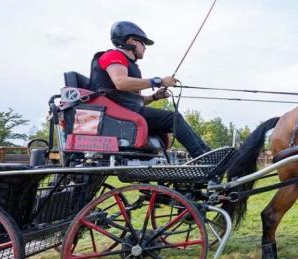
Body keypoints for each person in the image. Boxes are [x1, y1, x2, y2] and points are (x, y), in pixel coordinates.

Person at [89, 21, 210, 158]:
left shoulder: (131, 65)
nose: (145, 48)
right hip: (112, 113)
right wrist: (159, 81)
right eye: (143, 43)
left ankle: (206, 154)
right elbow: (121, 83)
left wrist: (154, 97)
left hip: (125, 110)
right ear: (131, 41)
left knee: (170, 121)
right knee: (173, 118)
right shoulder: (114, 56)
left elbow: (134, 101)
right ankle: (203, 157)